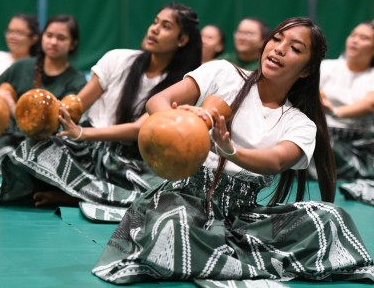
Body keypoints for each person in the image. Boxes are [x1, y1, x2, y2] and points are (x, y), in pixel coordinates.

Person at [91, 17, 374, 285]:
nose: (279, 49)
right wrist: (181, 120)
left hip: (243, 217)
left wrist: (231, 151)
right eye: (277, 39)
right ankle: (228, 257)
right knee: (174, 223)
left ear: (306, 70)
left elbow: (275, 161)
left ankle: (221, 255)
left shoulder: (300, 123)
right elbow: (159, 101)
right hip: (185, 200)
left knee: (330, 219)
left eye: (295, 48)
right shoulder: (223, 73)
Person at [0, 2, 202, 220]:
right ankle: (77, 191)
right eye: (155, 22)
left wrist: (82, 134)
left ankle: (70, 194)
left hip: (127, 161)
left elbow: (136, 129)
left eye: (166, 27)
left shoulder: (181, 83)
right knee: (31, 150)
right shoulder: (118, 59)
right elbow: (77, 104)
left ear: (182, 40)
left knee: (162, 192)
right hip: (87, 149)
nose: (154, 29)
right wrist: (46, 115)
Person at [0, 14, 87, 175]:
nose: (53, 42)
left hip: (45, 145)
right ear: (42, 38)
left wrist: (14, 110)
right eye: (49, 36)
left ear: (73, 43)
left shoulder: (76, 81)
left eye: (61, 38)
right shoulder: (21, 66)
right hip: (5, 138)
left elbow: (58, 127)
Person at [318, 20, 374, 206]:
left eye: (364, 38)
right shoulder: (326, 67)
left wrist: (334, 110)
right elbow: (317, 96)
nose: (355, 41)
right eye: (353, 35)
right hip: (327, 136)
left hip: (363, 142)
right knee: (317, 139)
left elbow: (369, 104)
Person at [0, 14, 40, 91]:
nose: (12, 37)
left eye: (19, 33)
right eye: (10, 31)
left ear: (34, 39)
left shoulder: (34, 66)